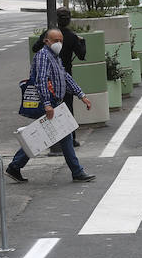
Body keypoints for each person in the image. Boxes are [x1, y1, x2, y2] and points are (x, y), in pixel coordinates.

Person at [7, 28, 95, 184]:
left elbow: (64, 76)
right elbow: (40, 80)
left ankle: (15, 166)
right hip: (47, 103)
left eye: (61, 40)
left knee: (44, 135)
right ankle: (77, 171)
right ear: (46, 41)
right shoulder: (42, 56)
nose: (59, 43)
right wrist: (47, 104)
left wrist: (81, 95)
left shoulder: (55, 56)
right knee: (53, 135)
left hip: (54, 102)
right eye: (55, 40)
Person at [48, 8, 88, 155]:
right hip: (65, 77)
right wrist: (82, 42)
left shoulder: (49, 35)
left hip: (49, 78)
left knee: (50, 107)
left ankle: (54, 140)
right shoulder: (71, 37)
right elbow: (82, 55)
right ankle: (71, 138)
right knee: (67, 108)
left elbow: (35, 47)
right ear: (69, 20)